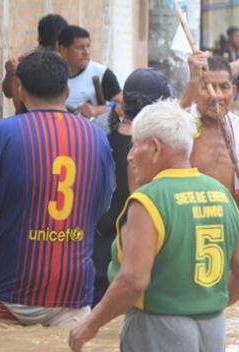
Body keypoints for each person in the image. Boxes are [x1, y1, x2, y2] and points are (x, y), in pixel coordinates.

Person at [68, 99, 239, 352]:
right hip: (212, 328)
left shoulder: (149, 201)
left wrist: (90, 323)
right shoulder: (221, 194)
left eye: (136, 145)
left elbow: (133, 280)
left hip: (158, 329)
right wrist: (207, 305)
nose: (131, 154)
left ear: (155, 148)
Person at [0, 50, 114, 326]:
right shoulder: (96, 137)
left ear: (21, 92)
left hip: (10, 286)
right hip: (72, 290)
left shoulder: (4, 133)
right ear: (66, 90)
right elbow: (102, 205)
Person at [92, 68, 176, 307]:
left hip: (99, 265)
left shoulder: (98, 143)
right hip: (145, 271)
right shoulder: (163, 155)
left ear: (122, 106)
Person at [186, 54, 239, 216]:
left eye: (224, 87)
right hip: (192, 231)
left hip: (233, 233)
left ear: (233, 91)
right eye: (208, 87)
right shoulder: (182, 130)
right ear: (195, 93)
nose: (218, 96)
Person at [2, 13, 68, 115]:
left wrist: (10, 75)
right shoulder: (69, 63)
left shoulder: (25, 63)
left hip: (25, 123)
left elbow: (8, 93)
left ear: (39, 38)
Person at [58, 25, 123, 119]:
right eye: (80, 47)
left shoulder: (102, 74)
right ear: (63, 50)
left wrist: (96, 110)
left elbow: (122, 106)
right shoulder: (52, 75)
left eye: (88, 46)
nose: (86, 52)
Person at [216, 26, 239, 97]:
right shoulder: (222, 50)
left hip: (237, 87)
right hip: (225, 87)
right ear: (229, 37)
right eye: (237, 36)